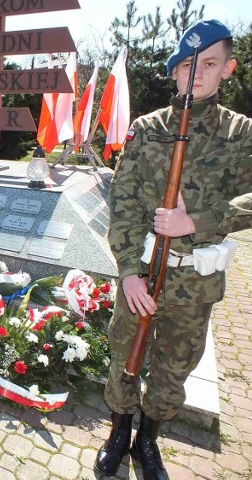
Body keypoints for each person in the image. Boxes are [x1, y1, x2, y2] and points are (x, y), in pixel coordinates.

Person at [95, 20, 252, 480]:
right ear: (175, 72)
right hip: (143, 271)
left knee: (175, 366)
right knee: (125, 353)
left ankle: (149, 440)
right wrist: (126, 271)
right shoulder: (147, 130)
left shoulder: (241, 133)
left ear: (228, 68)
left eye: (208, 63)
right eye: (186, 64)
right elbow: (122, 204)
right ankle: (119, 433)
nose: (196, 73)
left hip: (195, 280)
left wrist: (198, 221)